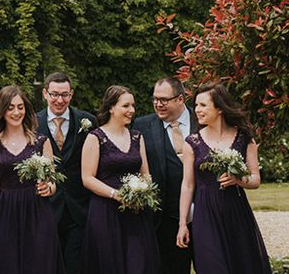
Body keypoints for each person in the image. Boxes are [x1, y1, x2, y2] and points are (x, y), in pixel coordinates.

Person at [176, 81, 271, 274]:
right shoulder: (192, 142)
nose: (197, 110)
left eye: (203, 105)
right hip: (205, 213)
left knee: (243, 265)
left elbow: (255, 179)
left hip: (235, 212)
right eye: (196, 105)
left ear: (219, 107)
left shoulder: (244, 138)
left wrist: (238, 180)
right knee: (212, 265)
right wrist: (182, 224)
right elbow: (187, 185)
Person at [0, 85, 65, 274]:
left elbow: (53, 182)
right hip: (6, 215)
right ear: (1, 110)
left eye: (20, 107)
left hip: (38, 213)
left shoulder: (41, 141)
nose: (16, 112)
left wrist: (48, 188)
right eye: (10, 107)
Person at [81, 85, 160, 274]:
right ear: (111, 108)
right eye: (126, 106)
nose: (131, 110)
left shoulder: (137, 137)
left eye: (133, 105)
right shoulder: (95, 138)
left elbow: (146, 173)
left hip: (135, 213)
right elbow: (87, 178)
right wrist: (116, 194)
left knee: (138, 262)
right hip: (105, 212)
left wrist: (145, 192)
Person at [133, 77, 197, 274]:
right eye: (155, 99)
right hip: (165, 219)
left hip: (206, 213)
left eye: (164, 100)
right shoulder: (142, 125)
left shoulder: (203, 120)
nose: (158, 104)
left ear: (180, 99)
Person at [36, 72, 96, 274]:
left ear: (71, 94)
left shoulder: (87, 121)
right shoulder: (33, 123)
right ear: (45, 94)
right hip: (46, 207)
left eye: (64, 95)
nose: (59, 100)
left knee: (76, 266)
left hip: (79, 207)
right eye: (54, 94)